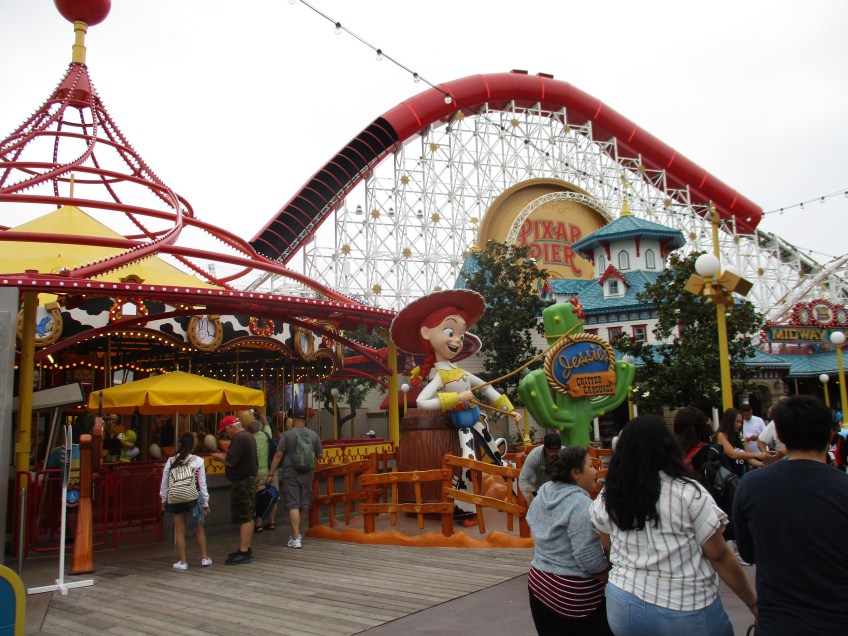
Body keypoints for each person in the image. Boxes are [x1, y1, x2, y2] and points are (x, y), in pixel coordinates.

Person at [590, 415, 757, 634]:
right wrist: (752, 602)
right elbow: (719, 555)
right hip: (684, 604)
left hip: (624, 601)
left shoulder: (609, 493)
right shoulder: (688, 492)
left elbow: (608, 543)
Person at [389, 289, 521, 517]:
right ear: (427, 333)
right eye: (450, 332)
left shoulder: (460, 372)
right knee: (468, 461)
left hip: (477, 419)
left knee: (497, 458)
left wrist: (509, 410)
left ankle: (517, 495)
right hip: (462, 425)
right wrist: (457, 398)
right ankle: (464, 506)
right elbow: (422, 402)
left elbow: (487, 387)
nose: (457, 340)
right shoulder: (439, 376)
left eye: (460, 334)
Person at [733, 395, 848, 634]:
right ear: (830, 435)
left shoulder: (751, 485)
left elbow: (747, 551)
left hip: (778, 622)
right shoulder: (843, 487)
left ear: (781, 438)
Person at [526, 445, 611, 635]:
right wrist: (611, 579)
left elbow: (531, 519)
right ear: (575, 473)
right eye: (590, 466)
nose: (595, 471)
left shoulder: (545, 491)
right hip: (572, 594)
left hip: (538, 582)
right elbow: (588, 558)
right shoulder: (581, 505)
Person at [267, 408, 323, 549]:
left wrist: (270, 473)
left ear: (294, 420)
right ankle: (298, 533)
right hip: (307, 474)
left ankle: (296, 537)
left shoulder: (287, 435)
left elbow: (278, 454)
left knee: (293, 504)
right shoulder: (313, 435)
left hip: (291, 473)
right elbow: (319, 455)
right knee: (303, 504)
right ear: (306, 420)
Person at [159, 432, 211, 570]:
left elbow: (164, 483)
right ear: (193, 444)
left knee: (180, 530)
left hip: (175, 498)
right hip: (193, 497)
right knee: (199, 527)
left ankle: (183, 561)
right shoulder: (198, 461)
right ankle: (205, 558)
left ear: (180, 444)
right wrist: (205, 501)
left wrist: (164, 499)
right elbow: (202, 483)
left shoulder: (171, 461)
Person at [211, 414, 258, 565]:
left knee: (244, 515)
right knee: (248, 514)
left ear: (231, 427)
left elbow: (231, 461)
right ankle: (246, 547)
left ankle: (244, 551)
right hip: (248, 480)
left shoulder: (239, 438)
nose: (226, 434)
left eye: (226, 431)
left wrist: (219, 458)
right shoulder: (248, 436)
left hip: (242, 481)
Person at [239, 409, 279, 533]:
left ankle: (259, 524)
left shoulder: (248, 439)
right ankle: (272, 522)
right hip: (271, 472)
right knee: (272, 498)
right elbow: (267, 424)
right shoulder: (267, 435)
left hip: (257, 474)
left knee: (259, 499)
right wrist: (262, 415)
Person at [714, 408, 768, 476]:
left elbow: (748, 458)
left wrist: (762, 464)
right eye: (737, 421)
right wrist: (757, 455)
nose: (739, 425)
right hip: (728, 477)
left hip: (741, 473)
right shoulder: (721, 435)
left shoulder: (740, 436)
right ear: (729, 421)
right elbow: (732, 454)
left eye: (741, 422)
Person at [518, 433, 562, 500]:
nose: (553, 454)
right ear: (544, 448)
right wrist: (531, 501)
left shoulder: (565, 454)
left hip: (559, 491)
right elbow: (523, 480)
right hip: (538, 491)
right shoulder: (535, 456)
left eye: (556, 451)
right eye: (550, 451)